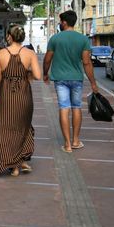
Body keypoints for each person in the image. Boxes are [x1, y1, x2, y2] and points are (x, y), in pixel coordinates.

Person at [43, 10, 98, 152]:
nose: (60, 23)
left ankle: (67, 144)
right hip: (76, 79)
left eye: (61, 21)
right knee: (76, 107)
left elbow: (47, 59)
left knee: (63, 107)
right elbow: (86, 63)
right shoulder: (83, 39)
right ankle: (75, 141)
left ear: (65, 22)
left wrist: (45, 73)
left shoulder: (55, 39)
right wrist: (93, 83)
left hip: (60, 79)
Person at [0, 24, 41, 177]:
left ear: (9, 37)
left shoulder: (0, 54)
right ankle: (20, 161)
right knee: (23, 127)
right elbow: (38, 76)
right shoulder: (30, 53)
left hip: (6, 95)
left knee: (5, 128)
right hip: (24, 95)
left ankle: (12, 165)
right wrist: (26, 76)